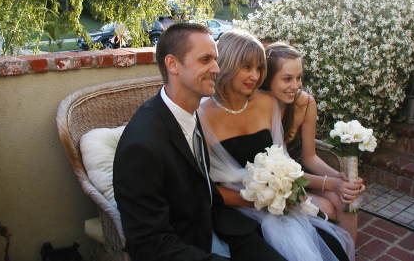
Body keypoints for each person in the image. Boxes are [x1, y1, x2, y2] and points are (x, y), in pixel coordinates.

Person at [113, 23, 287, 261]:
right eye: (205, 60)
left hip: (222, 225)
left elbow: (202, 190)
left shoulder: (191, 113)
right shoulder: (142, 146)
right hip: (188, 246)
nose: (216, 68)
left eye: (215, 59)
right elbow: (149, 244)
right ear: (173, 64)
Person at [199, 30, 355, 261]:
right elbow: (205, 187)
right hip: (232, 209)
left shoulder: (267, 103)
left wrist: (281, 194)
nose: (254, 75)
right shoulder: (201, 115)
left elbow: (281, 161)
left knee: (331, 246)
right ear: (227, 65)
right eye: (246, 67)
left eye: (259, 68)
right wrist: (259, 199)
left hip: (277, 204)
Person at [261, 42, 365, 241]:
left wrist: (343, 180)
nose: (296, 85)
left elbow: (310, 157)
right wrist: (332, 184)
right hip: (275, 182)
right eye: (287, 79)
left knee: (347, 200)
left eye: (299, 78)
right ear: (268, 79)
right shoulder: (258, 107)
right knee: (326, 206)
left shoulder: (305, 103)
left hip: (301, 171)